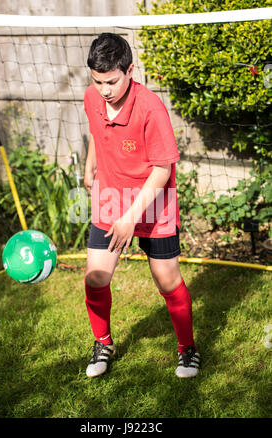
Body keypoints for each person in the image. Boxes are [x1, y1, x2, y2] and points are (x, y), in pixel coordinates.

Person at [83, 33, 200, 379]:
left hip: (153, 198)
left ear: (130, 70)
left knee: (167, 280)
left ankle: (187, 349)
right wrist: (91, 162)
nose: (104, 90)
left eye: (112, 82)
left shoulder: (151, 108)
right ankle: (103, 343)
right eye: (97, 81)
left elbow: (163, 170)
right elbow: (95, 128)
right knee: (95, 278)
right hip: (110, 197)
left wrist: (131, 218)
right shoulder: (92, 97)